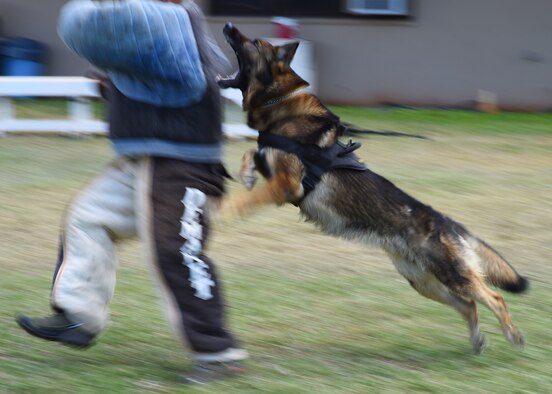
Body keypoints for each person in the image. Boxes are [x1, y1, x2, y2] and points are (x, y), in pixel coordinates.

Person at [16, 0, 247, 384]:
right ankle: (78, 315)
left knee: (175, 252)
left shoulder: (170, 21)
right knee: (87, 218)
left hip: (182, 167)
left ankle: (217, 352)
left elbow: (82, 24)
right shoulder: (164, 25)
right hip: (145, 158)